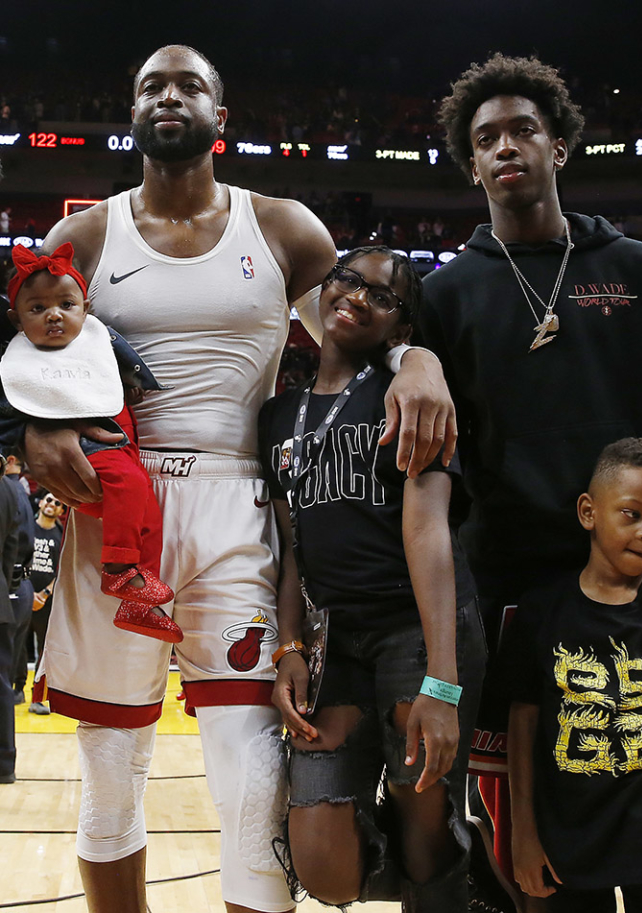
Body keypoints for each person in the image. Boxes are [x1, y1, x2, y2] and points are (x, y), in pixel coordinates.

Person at [24, 44, 454, 913]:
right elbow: (25, 360)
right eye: (151, 84)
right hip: (117, 504)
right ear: (132, 112)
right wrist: (35, 428)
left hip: (237, 499)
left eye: (189, 85)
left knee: (253, 778)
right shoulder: (84, 236)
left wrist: (419, 358)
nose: (169, 95)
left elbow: (355, 331)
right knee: (111, 776)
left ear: (221, 117)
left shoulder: (287, 227)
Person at [416, 52, 642, 912]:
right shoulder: (447, 294)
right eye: (486, 137)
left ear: (559, 145)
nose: (506, 147)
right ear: (471, 164)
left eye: (523, 130)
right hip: (515, 597)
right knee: (530, 840)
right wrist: (410, 361)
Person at [260, 248, 484, 912]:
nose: (358, 296)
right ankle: (467, 869)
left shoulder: (411, 397)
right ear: (325, 289)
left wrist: (442, 682)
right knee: (323, 864)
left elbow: (430, 534)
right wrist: (290, 647)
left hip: (417, 629)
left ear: (401, 327)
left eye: (381, 295)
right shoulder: (278, 417)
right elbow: (292, 544)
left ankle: (446, 876)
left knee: (423, 827)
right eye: (348, 280)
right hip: (337, 640)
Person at [504, 439, 642, 913]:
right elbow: (521, 728)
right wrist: (523, 833)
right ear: (589, 512)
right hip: (568, 851)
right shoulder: (541, 611)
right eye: (633, 514)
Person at [3, 241, 179, 643]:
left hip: (120, 447)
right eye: (37, 309)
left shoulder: (98, 343)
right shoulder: (19, 360)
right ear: (16, 320)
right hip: (91, 453)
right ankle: (118, 572)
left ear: (87, 309)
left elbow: (125, 362)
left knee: (148, 516)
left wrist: (133, 385)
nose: (53, 315)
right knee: (132, 487)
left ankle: (138, 601)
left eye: (66, 304)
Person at [27, 492, 65, 714]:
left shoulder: (62, 536)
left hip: (47, 600)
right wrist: (27, 591)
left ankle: (37, 698)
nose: (52, 504)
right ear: (41, 503)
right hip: (22, 595)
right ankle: (13, 691)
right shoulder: (26, 528)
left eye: (57, 503)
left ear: (61, 510)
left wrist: (43, 594)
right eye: (49, 500)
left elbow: (62, 570)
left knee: (44, 649)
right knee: (13, 645)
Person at [4, 450, 34, 705]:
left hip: (12, 582)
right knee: (15, 651)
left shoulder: (9, 490)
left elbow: (18, 541)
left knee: (5, 662)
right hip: (21, 582)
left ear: (10, 460)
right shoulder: (20, 491)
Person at [0, 465, 18, 783]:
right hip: (0, 593)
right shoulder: (9, 489)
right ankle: (5, 764)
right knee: (2, 686)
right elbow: (12, 546)